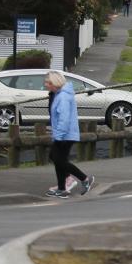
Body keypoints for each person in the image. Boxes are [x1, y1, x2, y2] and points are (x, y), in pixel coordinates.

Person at [45, 71, 94, 199]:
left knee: (58, 159)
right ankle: (62, 188)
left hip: (65, 135)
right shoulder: (60, 94)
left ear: (55, 83)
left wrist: (59, 136)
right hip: (64, 134)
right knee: (57, 159)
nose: (46, 85)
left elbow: (64, 118)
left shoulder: (63, 97)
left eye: (48, 82)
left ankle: (84, 179)